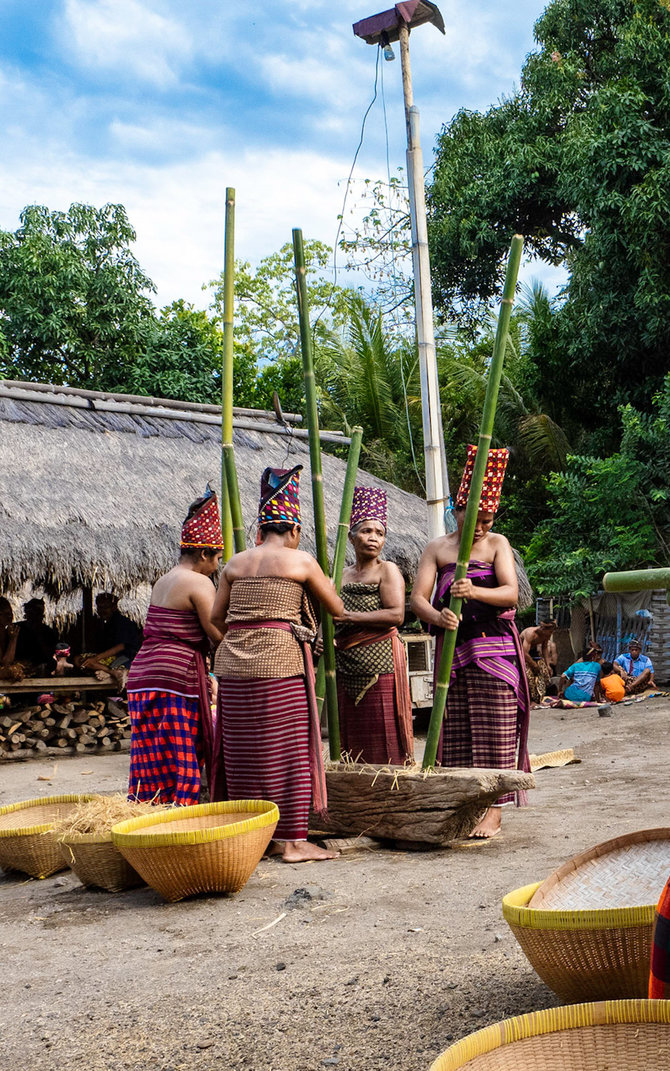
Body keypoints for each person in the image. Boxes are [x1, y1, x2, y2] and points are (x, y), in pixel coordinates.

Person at [212, 464, 344, 864]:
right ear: (295, 531)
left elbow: (217, 619)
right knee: (288, 751)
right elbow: (335, 607)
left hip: (232, 667)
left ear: (259, 529)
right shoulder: (300, 562)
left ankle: (255, 834)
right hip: (280, 664)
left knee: (245, 751)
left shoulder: (234, 564)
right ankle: (290, 842)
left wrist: (245, 635)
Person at [410, 445, 531, 840]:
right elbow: (417, 600)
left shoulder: (498, 544)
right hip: (453, 654)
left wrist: (475, 592)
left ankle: (494, 811)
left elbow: (511, 594)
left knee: (495, 728)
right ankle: (464, 806)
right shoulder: (437, 548)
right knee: (456, 729)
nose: (479, 526)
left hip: (494, 652)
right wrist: (438, 616)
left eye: (487, 519)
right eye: (473, 517)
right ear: (456, 510)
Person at [126, 487, 224, 805]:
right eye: (218, 558)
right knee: (180, 748)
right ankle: (180, 811)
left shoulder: (163, 580)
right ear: (205, 554)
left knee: (152, 749)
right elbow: (215, 633)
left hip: (143, 672)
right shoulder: (199, 582)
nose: (218, 566)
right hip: (175, 676)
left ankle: (148, 806)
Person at [334, 486, 413, 765]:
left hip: (381, 665)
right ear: (351, 536)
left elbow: (396, 615)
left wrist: (350, 618)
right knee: (353, 735)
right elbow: (329, 615)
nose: (373, 538)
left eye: (379, 533)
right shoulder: (340, 575)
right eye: (367, 531)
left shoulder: (387, 570)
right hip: (346, 664)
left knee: (384, 731)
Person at [77, 593, 141, 688]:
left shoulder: (122, 622)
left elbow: (121, 646)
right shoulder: (107, 624)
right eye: (100, 607)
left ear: (114, 607)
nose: (102, 610)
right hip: (110, 658)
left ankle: (112, 672)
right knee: (78, 660)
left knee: (89, 662)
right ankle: (111, 672)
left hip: (125, 658)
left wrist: (96, 658)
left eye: (105, 607)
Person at [519, 619, 557, 704]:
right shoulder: (530, 633)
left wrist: (548, 665)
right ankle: (530, 700)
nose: (551, 634)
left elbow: (544, 648)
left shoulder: (546, 635)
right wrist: (533, 665)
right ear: (543, 629)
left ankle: (540, 696)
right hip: (520, 653)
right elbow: (524, 653)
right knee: (529, 675)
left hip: (533, 652)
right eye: (550, 632)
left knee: (545, 672)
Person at [15, 598, 58, 671]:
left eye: (37, 614)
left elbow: (50, 654)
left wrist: (38, 634)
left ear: (42, 616)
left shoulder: (48, 632)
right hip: (19, 668)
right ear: (26, 614)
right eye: (31, 613)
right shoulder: (17, 629)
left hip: (42, 668)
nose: (34, 617)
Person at [0, 596, 22, 681]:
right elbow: (6, 663)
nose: (10, 617)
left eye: (11, 613)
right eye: (6, 614)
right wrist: (13, 640)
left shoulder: (7, 632)